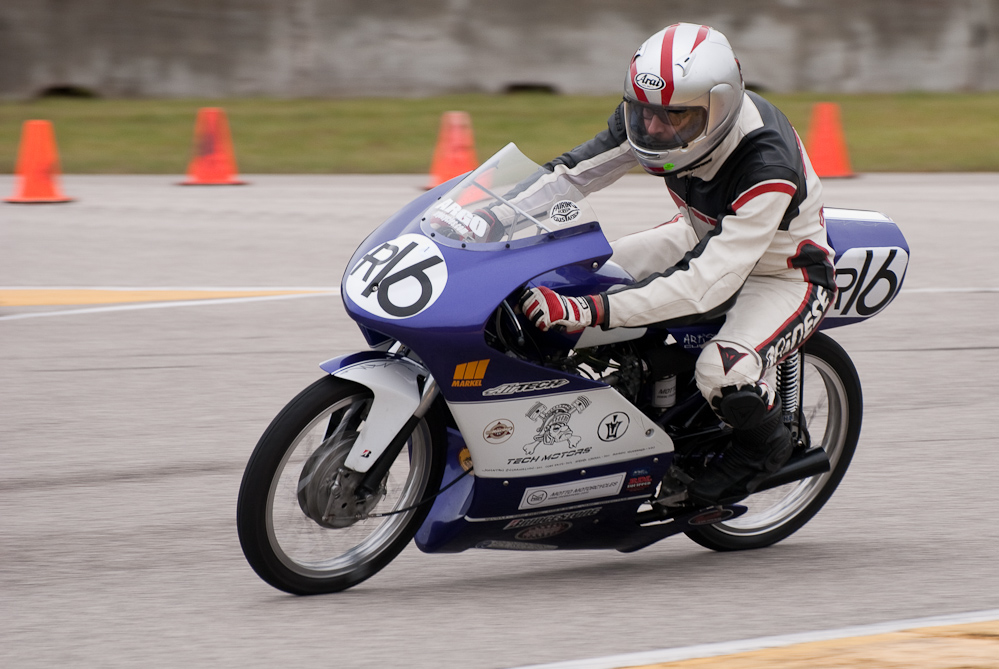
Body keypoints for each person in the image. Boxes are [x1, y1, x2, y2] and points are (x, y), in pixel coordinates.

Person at [517, 23, 837, 504]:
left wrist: (593, 310)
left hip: (782, 272)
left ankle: (766, 444)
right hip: (702, 234)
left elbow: (707, 284)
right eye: (643, 112)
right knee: (575, 276)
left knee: (722, 372)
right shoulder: (653, 118)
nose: (653, 128)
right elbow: (571, 174)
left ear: (720, 109)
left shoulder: (766, 165)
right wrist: (489, 212)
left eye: (674, 117)